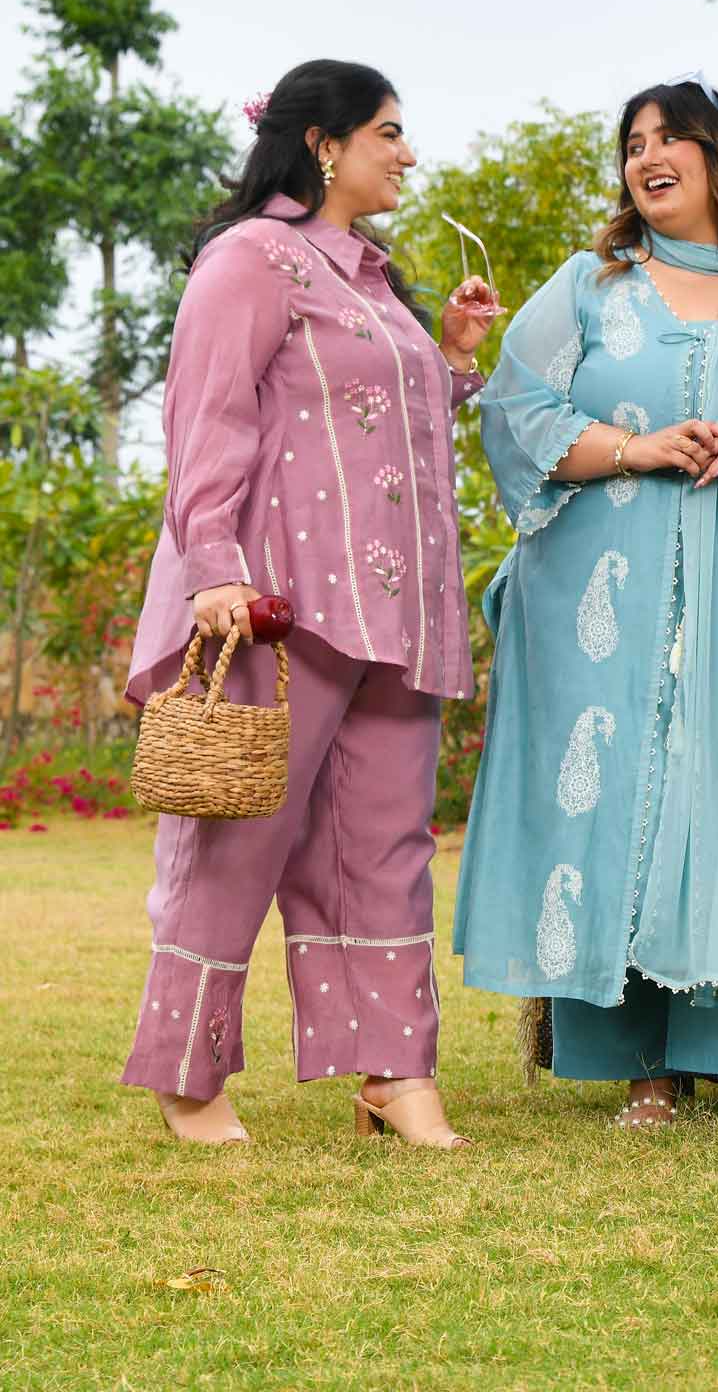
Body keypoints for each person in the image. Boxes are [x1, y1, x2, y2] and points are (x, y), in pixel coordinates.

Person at [453, 75, 718, 1147]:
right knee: (624, 814)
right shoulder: (590, 289)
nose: (646, 156)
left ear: (715, 157)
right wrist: (635, 446)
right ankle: (644, 1065)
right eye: (632, 141)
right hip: (605, 601)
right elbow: (515, 409)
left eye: (669, 138)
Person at [122, 60, 502, 1148]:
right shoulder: (248, 261)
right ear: (325, 143)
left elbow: (368, 415)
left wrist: (452, 361)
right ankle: (187, 1075)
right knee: (238, 834)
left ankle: (394, 1072)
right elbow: (209, 420)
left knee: (385, 842)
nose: (408, 152)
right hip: (278, 602)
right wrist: (213, 571)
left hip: (400, 610)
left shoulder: (370, 281)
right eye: (390, 131)